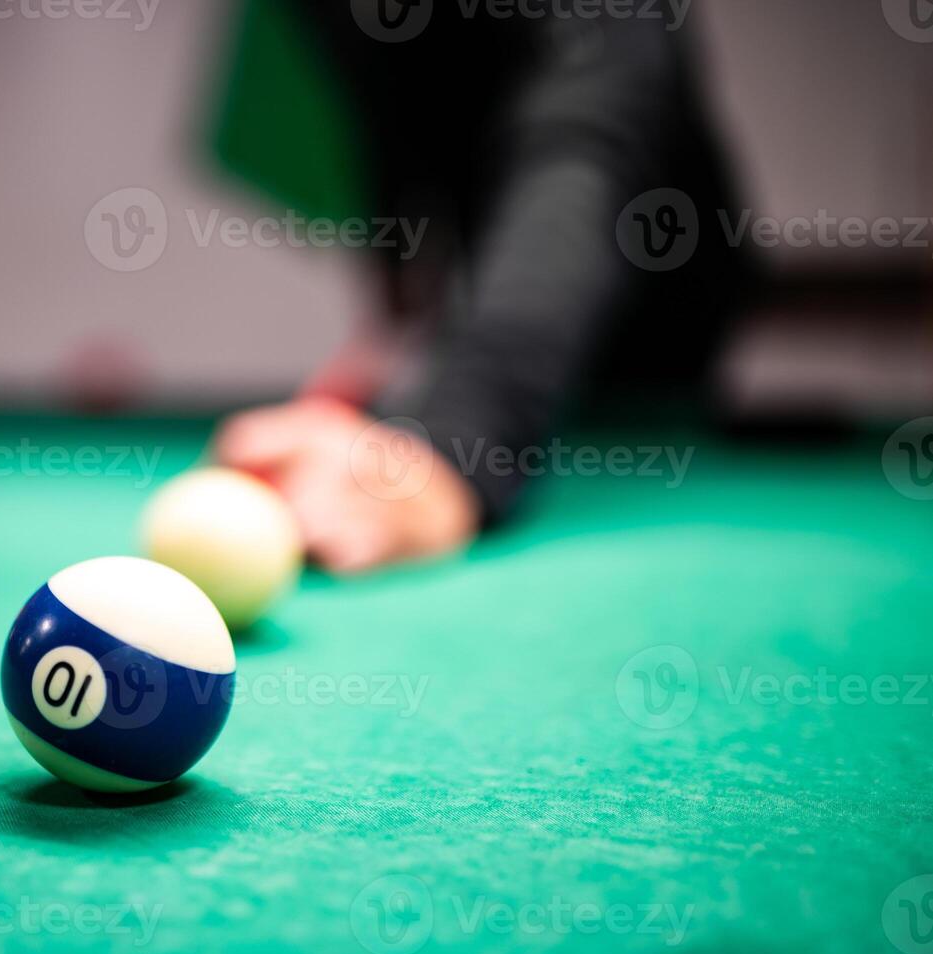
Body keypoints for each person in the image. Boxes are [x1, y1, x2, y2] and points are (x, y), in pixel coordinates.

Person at [214, 1, 752, 573]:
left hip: (654, 320)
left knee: (631, 426)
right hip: (501, 278)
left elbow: (583, 144)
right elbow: (389, 96)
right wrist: (396, 291)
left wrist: (455, 451)